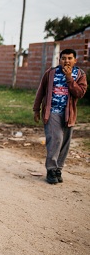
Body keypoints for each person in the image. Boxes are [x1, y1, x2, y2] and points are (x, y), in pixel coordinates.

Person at [33, 48, 87, 184]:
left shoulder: (80, 75)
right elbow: (41, 91)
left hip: (69, 113)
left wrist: (69, 78)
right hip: (51, 112)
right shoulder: (51, 73)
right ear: (59, 59)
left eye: (70, 58)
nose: (66, 61)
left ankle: (58, 169)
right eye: (64, 58)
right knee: (55, 139)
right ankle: (51, 169)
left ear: (75, 60)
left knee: (64, 143)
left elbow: (80, 93)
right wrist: (36, 109)